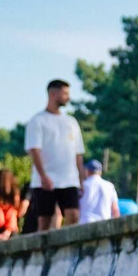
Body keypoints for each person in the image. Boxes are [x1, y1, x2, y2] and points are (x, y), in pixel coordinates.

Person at [24, 79, 85, 232]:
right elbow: (35, 150)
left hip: (69, 178)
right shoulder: (37, 121)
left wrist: (81, 178)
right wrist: (43, 175)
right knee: (46, 220)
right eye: (65, 93)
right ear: (53, 94)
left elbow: (78, 153)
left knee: (74, 215)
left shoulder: (71, 122)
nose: (67, 98)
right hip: (46, 180)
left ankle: (71, 247)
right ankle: (43, 252)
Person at [78, 159, 121, 224]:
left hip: (85, 222)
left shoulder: (82, 186)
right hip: (104, 223)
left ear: (87, 171)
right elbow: (115, 209)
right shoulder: (109, 186)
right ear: (100, 172)